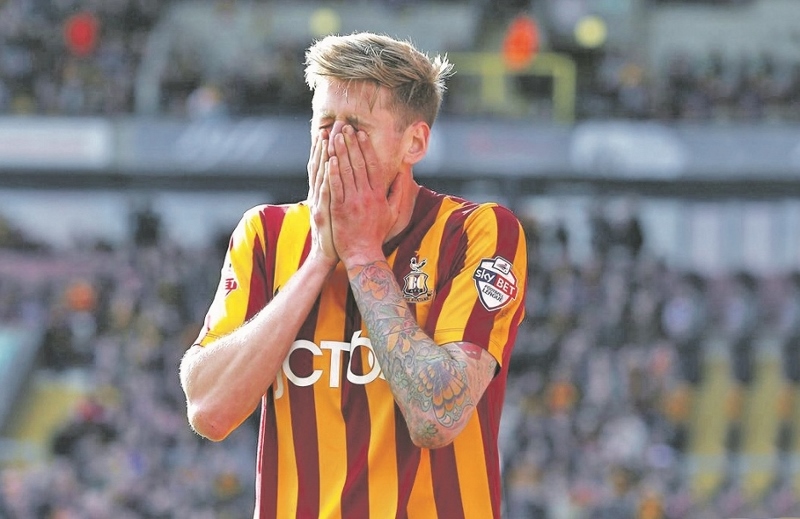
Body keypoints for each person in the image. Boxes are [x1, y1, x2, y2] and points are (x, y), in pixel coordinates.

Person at [179, 32, 528, 518]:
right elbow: (209, 412)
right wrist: (321, 257)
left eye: (356, 126)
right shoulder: (266, 233)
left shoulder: (476, 233)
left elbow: (437, 417)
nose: (336, 141)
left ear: (414, 142)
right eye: (325, 123)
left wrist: (363, 253)